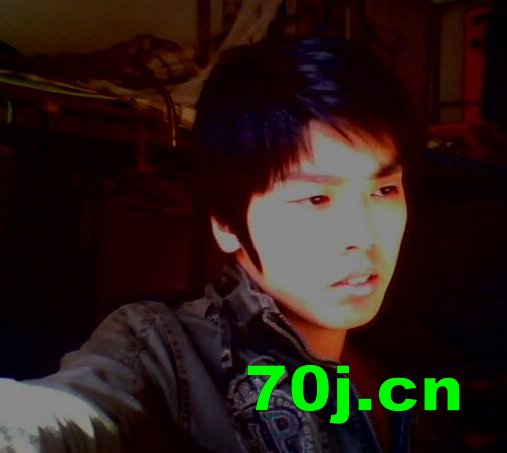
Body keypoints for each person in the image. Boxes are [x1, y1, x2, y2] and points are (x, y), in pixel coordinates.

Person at [0, 36, 417, 452]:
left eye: (384, 190)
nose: (363, 236)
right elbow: (63, 419)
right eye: (316, 199)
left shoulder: (408, 360)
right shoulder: (167, 356)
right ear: (226, 222)